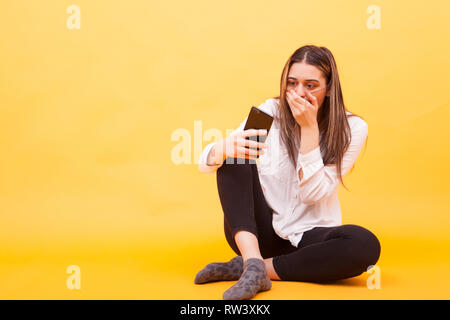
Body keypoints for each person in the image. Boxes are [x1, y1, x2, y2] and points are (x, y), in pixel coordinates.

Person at [195, 45, 381, 300]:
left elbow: (314, 194)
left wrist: (309, 129)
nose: (299, 93)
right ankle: (253, 258)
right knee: (235, 154)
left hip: (310, 237)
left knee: (364, 245)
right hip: (259, 234)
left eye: (311, 85)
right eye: (292, 83)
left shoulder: (353, 128)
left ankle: (255, 268)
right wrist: (221, 148)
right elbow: (206, 163)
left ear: (328, 89)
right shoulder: (270, 112)